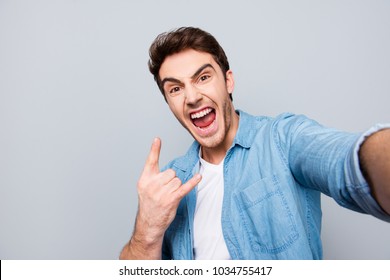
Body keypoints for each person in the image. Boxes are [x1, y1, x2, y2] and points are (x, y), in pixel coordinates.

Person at [120, 27, 390, 260]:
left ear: (228, 81)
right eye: (175, 89)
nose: (191, 97)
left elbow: (344, 162)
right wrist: (147, 230)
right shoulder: (169, 183)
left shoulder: (283, 139)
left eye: (203, 78)